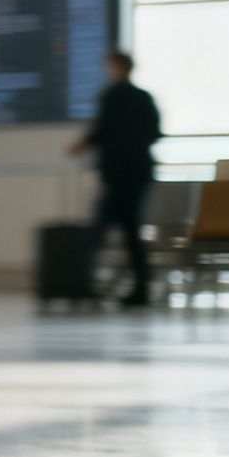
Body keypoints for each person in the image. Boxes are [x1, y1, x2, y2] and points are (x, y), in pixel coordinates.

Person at [70, 51, 161, 306]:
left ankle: (83, 283)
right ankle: (140, 287)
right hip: (139, 174)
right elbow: (154, 133)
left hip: (118, 174)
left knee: (100, 230)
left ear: (117, 67)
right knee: (131, 231)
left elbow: (101, 132)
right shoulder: (144, 98)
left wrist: (81, 146)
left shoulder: (112, 97)